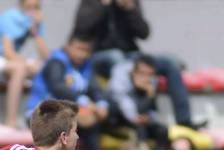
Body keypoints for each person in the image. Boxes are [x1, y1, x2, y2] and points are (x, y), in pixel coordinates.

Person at [72, 0, 205, 130]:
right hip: (100, 55)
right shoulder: (91, 2)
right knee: (117, 58)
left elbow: (144, 33)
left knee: (170, 63)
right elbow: (81, 28)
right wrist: (101, 5)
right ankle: (130, 118)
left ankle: (184, 120)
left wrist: (130, 9)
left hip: (130, 54)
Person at [27, 33, 108, 150]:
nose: (82, 54)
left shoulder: (86, 66)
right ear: (68, 47)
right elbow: (58, 87)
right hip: (42, 114)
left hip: (68, 114)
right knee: (77, 124)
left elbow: (95, 89)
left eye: (86, 50)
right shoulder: (55, 62)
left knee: (94, 123)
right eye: (79, 48)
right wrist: (84, 103)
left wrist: (102, 105)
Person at [0, 0, 49, 127]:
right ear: (21, 5)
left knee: (44, 68)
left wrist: (36, 31)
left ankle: (41, 119)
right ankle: (11, 120)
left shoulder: (34, 21)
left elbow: (45, 56)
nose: (33, 11)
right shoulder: (9, 18)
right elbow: (8, 52)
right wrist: (27, 65)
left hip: (8, 61)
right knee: (20, 69)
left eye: (36, 7)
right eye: (29, 7)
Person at [107, 55, 168, 150]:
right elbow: (123, 104)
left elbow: (154, 110)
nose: (146, 78)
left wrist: (149, 117)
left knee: (162, 130)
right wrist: (135, 117)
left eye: (150, 74)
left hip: (139, 121)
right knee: (140, 130)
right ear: (133, 72)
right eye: (142, 73)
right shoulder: (121, 81)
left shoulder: (151, 85)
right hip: (118, 119)